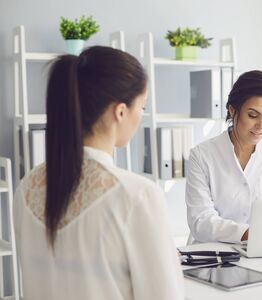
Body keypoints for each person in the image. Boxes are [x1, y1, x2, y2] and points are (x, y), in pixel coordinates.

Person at [13, 46, 184, 300]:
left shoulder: (26, 189)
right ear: (121, 111)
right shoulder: (136, 196)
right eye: (142, 107)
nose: (141, 117)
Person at [185, 70, 262, 244]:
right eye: (253, 115)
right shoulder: (202, 155)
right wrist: (249, 234)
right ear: (232, 110)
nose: (261, 125)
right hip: (215, 256)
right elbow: (201, 221)